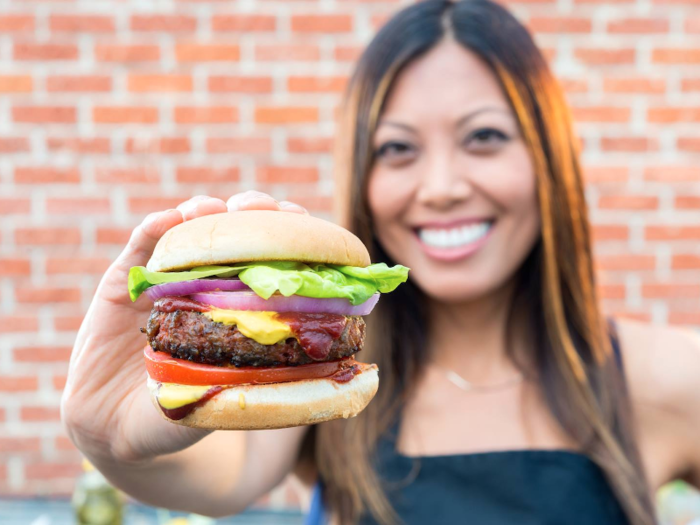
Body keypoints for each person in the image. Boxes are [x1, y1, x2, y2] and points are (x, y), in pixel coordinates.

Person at [61, 1, 700, 524]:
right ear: (363, 179)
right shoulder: (323, 381)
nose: (442, 186)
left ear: (547, 160)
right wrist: (113, 438)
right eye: (397, 148)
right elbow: (215, 480)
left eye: (484, 137)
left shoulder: (666, 376)